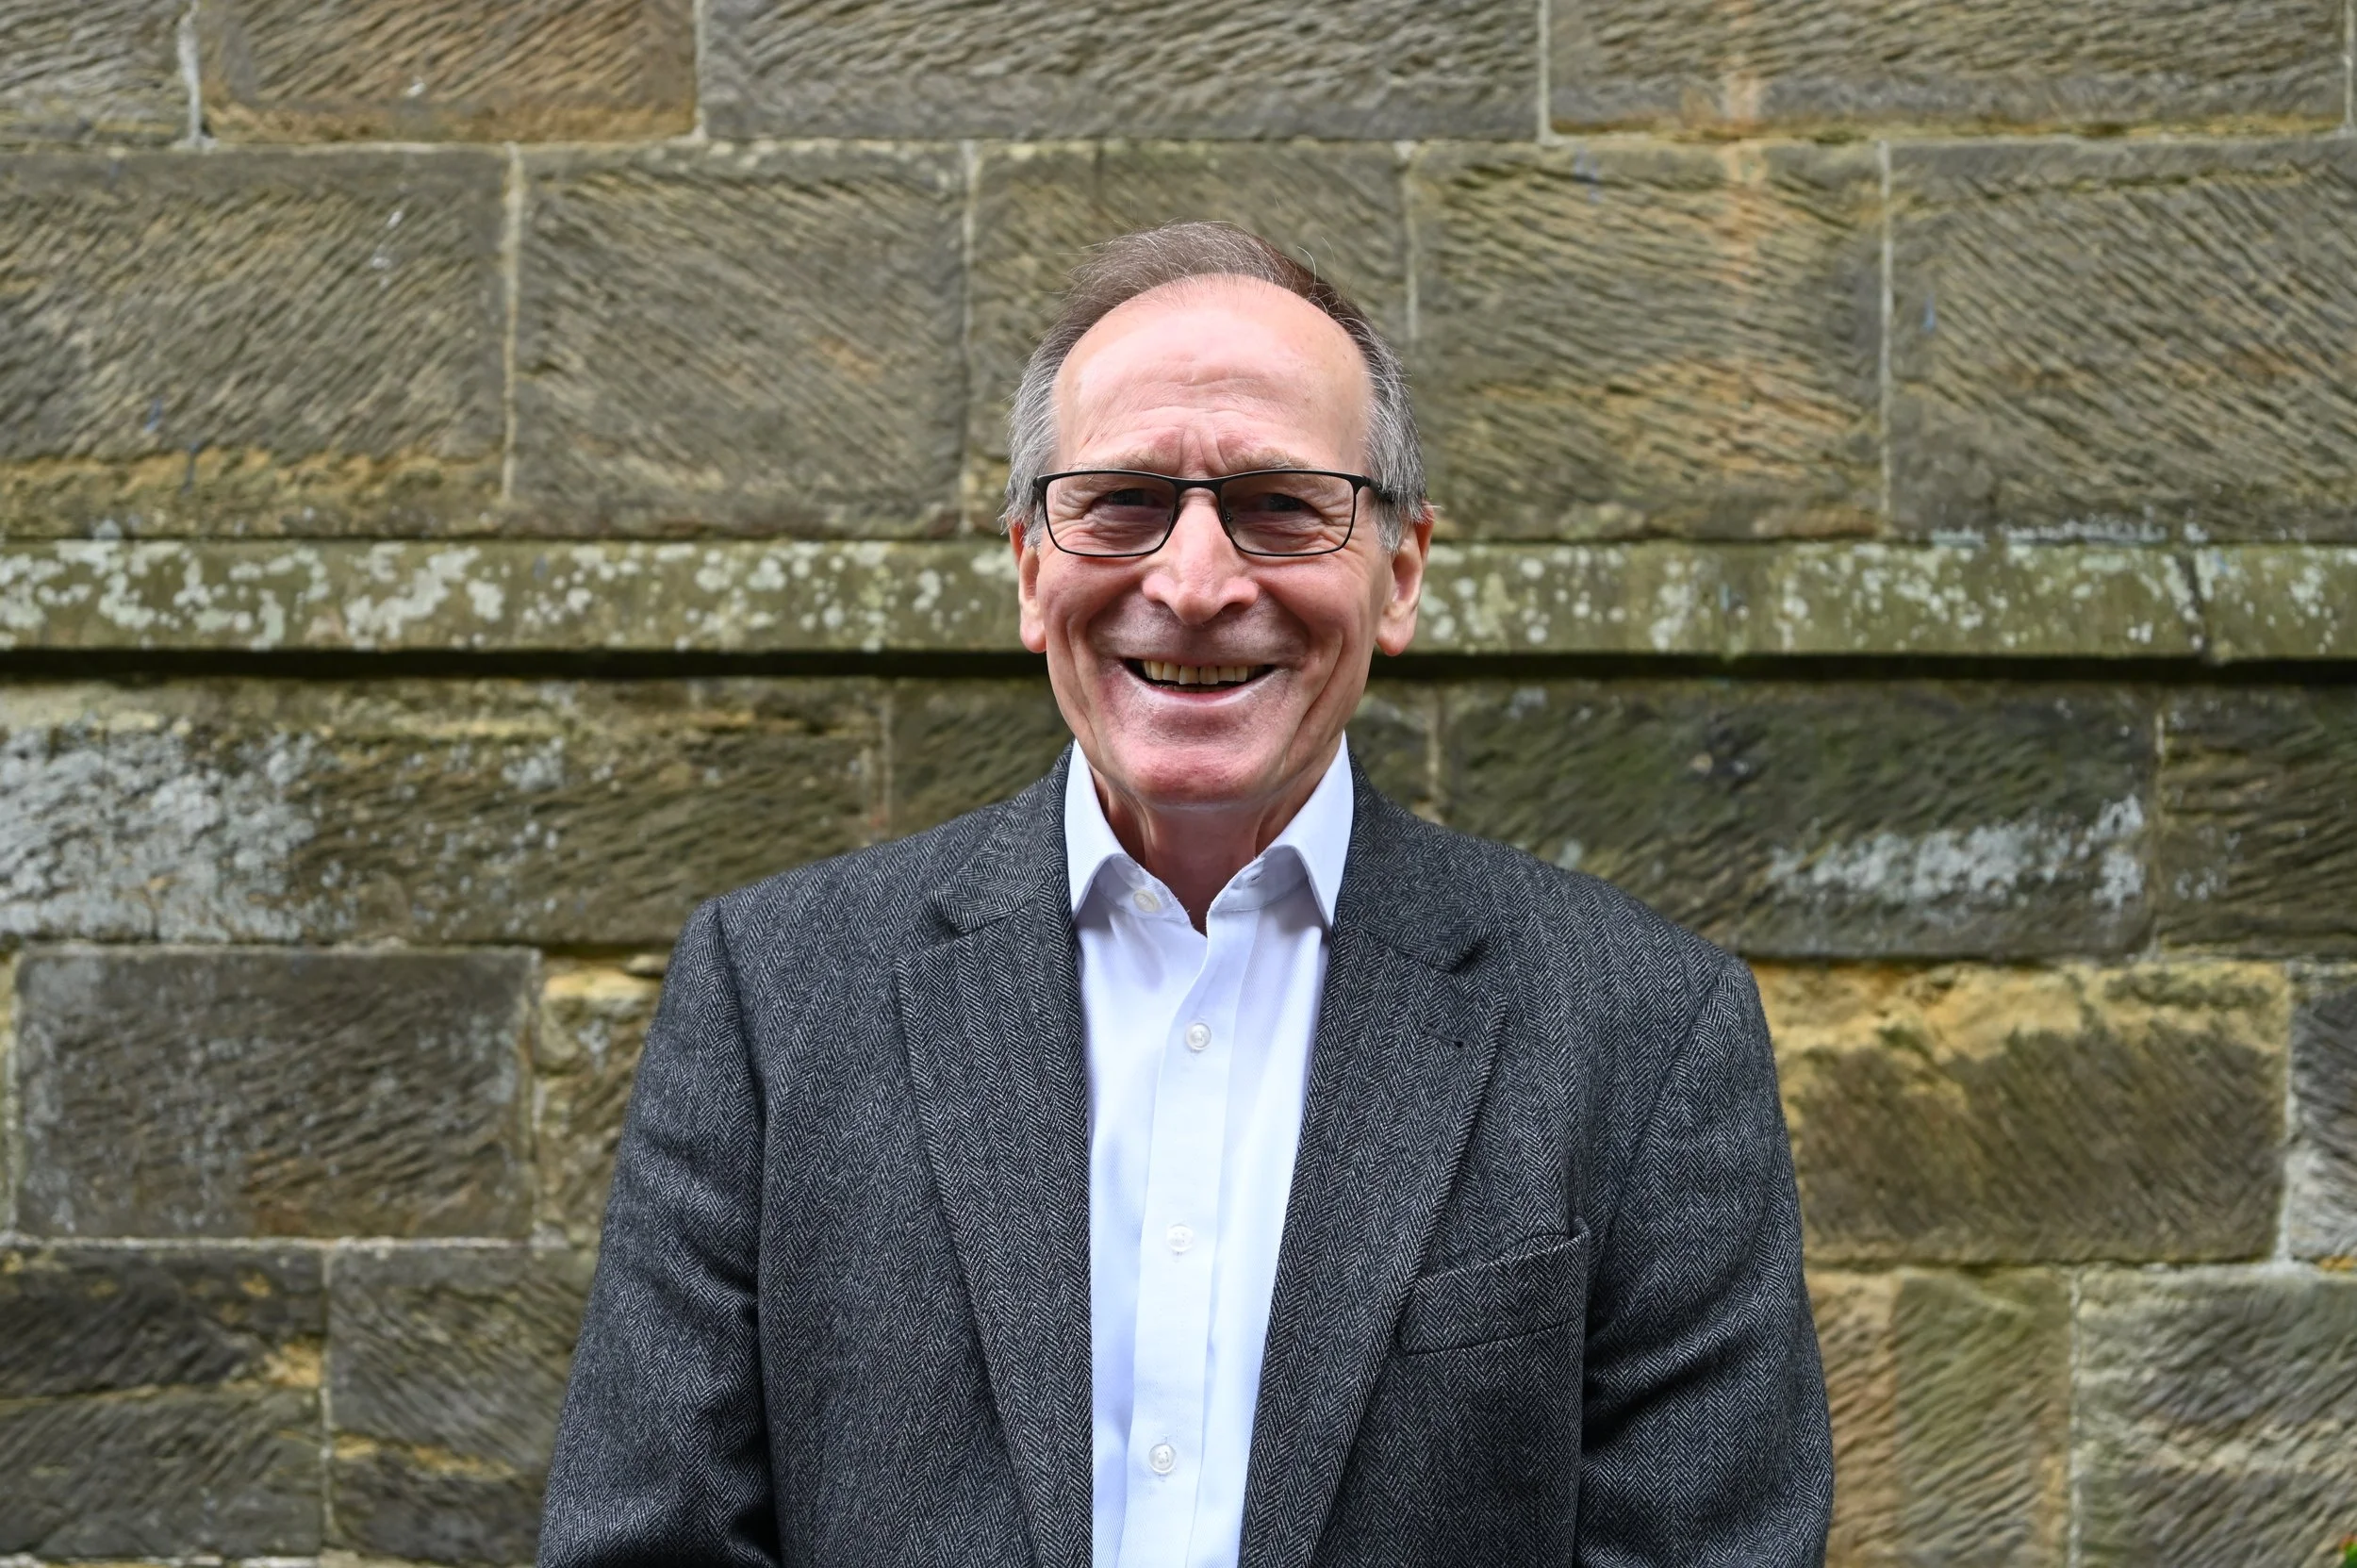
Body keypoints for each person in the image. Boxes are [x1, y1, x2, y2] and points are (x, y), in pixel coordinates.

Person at [540, 222, 1832, 1568]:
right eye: (1121, 502)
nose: (1198, 582)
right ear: (1033, 567)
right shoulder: (777, 993)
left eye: (1282, 506)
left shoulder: (1642, 1029)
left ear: (1399, 570)